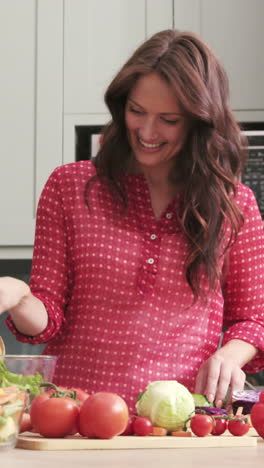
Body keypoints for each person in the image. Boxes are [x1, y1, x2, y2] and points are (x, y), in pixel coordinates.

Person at [0, 29, 263, 413]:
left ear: (199, 121)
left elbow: (253, 320)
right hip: (73, 417)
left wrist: (230, 356)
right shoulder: (69, 186)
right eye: (136, 111)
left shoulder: (235, 205)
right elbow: (48, 317)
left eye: (168, 119)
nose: (147, 131)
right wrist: (19, 295)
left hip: (177, 421)